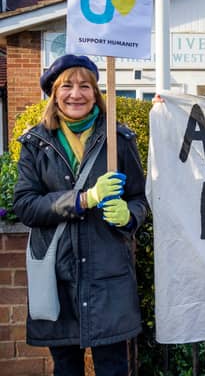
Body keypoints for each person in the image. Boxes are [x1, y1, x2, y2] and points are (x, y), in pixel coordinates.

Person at [13, 54, 148, 375]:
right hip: (58, 276)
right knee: (66, 368)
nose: (76, 94)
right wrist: (85, 199)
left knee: (114, 368)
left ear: (96, 92)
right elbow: (26, 206)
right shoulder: (36, 143)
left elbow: (141, 199)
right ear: (54, 92)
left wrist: (129, 215)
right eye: (67, 86)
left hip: (108, 277)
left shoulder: (119, 139)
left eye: (85, 86)